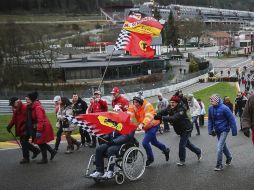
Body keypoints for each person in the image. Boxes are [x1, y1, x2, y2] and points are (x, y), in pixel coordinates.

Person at [127, 92, 170, 166]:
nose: (134, 104)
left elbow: (148, 117)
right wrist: (127, 122)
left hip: (153, 125)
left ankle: (150, 159)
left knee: (145, 142)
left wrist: (142, 124)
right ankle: (165, 150)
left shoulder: (148, 105)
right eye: (134, 101)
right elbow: (129, 115)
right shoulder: (133, 106)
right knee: (154, 142)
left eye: (136, 102)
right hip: (146, 127)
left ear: (141, 101)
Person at [160, 95, 202, 166]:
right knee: (187, 144)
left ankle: (182, 160)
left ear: (177, 103)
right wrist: (156, 114)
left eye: (173, 102)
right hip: (180, 129)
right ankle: (198, 151)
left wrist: (162, 118)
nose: (171, 104)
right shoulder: (170, 107)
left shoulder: (181, 109)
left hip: (187, 128)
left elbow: (174, 118)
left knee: (182, 144)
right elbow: (163, 111)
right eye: (171, 102)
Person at [6, 97, 41, 164]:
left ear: (17, 102)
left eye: (13, 104)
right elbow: (14, 119)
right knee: (23, 142)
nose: (12, 106)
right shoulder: (16, 109)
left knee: (24, 142)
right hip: (21, 128)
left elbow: (28, 120)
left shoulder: (24, 108)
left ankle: (26, 157)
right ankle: (35, 151)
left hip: (26, 128)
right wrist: (9, 126)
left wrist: (24, 128)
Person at [208, 94, 237, 171]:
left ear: (216, 101)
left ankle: (219, 165)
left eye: (212, 100)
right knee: (223, 146)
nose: (210, 102)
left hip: (224, 130)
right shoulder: (210, 108)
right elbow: (210, 120)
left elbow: (232, 119)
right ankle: (229, 157)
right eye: (210, 100)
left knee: (219, 147)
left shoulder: (225, 108)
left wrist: (234, 131)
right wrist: (210, 130)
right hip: (217, 130)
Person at [25, 92, 56, 164]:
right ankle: (52, 152)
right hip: (40, 126)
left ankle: (45, 159)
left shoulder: (37, 107)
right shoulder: (32, 107)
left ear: (32, 100)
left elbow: (40, 120)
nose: (26, 101)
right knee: (40, 142)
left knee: (40, 142)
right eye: (26, 99)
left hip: (43, 127)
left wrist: (38, 130)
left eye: (28, 99)